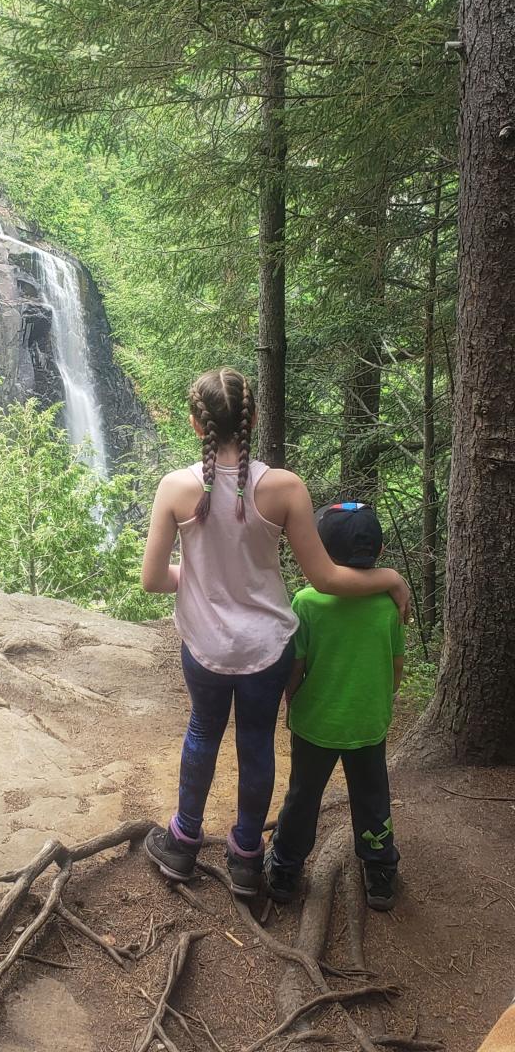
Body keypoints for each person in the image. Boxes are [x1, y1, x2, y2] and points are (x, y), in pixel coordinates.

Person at [140, 368, 410, 897]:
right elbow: (325, 577)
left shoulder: (175, 488)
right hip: (267, 648)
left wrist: (199, 580)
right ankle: (245, 858)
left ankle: (182, 844)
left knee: (202, 733)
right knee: (257, 743)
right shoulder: (284, 488)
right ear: (254, 418)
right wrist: (391, 578)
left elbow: (153, 580)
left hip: (205, 646)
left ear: (197, 425)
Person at [264, 501, 404, 911]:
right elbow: (396, 669)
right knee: (373, 794)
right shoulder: (389, 604)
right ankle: (380, 873)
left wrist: (294, 702)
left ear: (320, 553)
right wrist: (379, 700)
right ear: (378, 554)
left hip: (316, 722)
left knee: (303, 796)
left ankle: (286, 869)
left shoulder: (308, 601)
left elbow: (296, 665)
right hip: (368, 722)